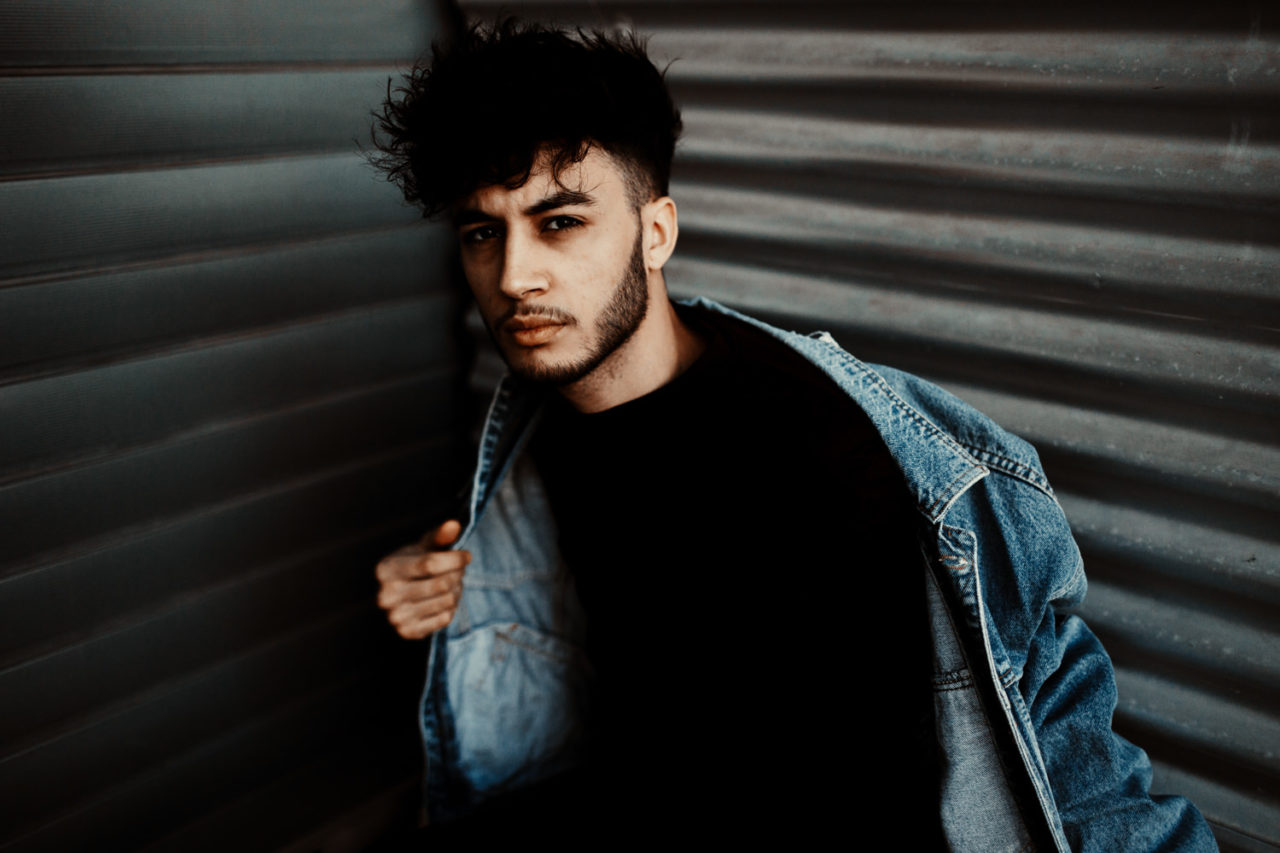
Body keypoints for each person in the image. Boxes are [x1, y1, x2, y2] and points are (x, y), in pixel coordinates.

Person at [371, 19, 1216, 850]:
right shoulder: (541, 422)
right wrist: (448, 586)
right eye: (483, 233)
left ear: (655, 233)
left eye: (560, 222)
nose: (515, 276)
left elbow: (1062, 750)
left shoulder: (825, 449)